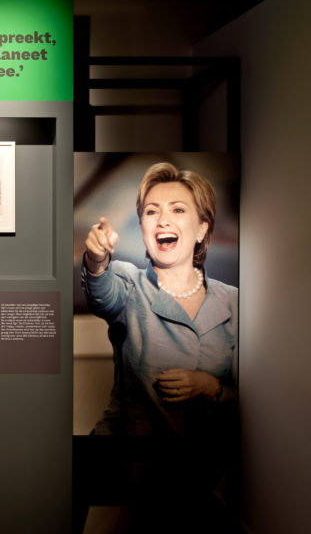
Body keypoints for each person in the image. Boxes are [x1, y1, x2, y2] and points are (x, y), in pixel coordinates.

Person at [82, 162, 237, 437]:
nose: (163, 220)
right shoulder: (128, 283)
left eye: (177, 209)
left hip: (214, 473)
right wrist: (97, 258)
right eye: (152, 211)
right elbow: (101, 293)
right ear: (143, 227)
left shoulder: (234, 302)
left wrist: (211, 387)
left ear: (202, 229)